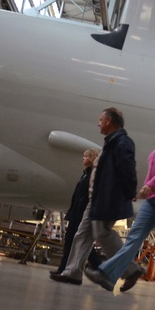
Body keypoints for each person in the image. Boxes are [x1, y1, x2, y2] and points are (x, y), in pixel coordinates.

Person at [83, 103, 155, 292]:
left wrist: (151, 185)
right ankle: (108, 275)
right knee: (134, 238)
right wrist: (141, 190)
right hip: (154, 198)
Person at [51, 107, 137, 286]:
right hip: (96, 199)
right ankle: (72, 272)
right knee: (81, 235)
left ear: (109, 122)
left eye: (101, 120)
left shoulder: (122, 142)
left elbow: (127, 170)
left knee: (102, 234)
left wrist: (130, 192)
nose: (98, 123)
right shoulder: (111, 143)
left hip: (107, 200)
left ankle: (130, 269)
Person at [51, 149, 101, 276]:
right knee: (76, 242)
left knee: (74, 242)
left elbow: (84, 197)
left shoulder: (90, 176)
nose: (82, 159)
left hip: (81, 214)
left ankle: (64, 268)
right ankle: (99, 268)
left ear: (91, 159)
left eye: (85, 157)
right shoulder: (85, 175)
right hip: (76, 213)